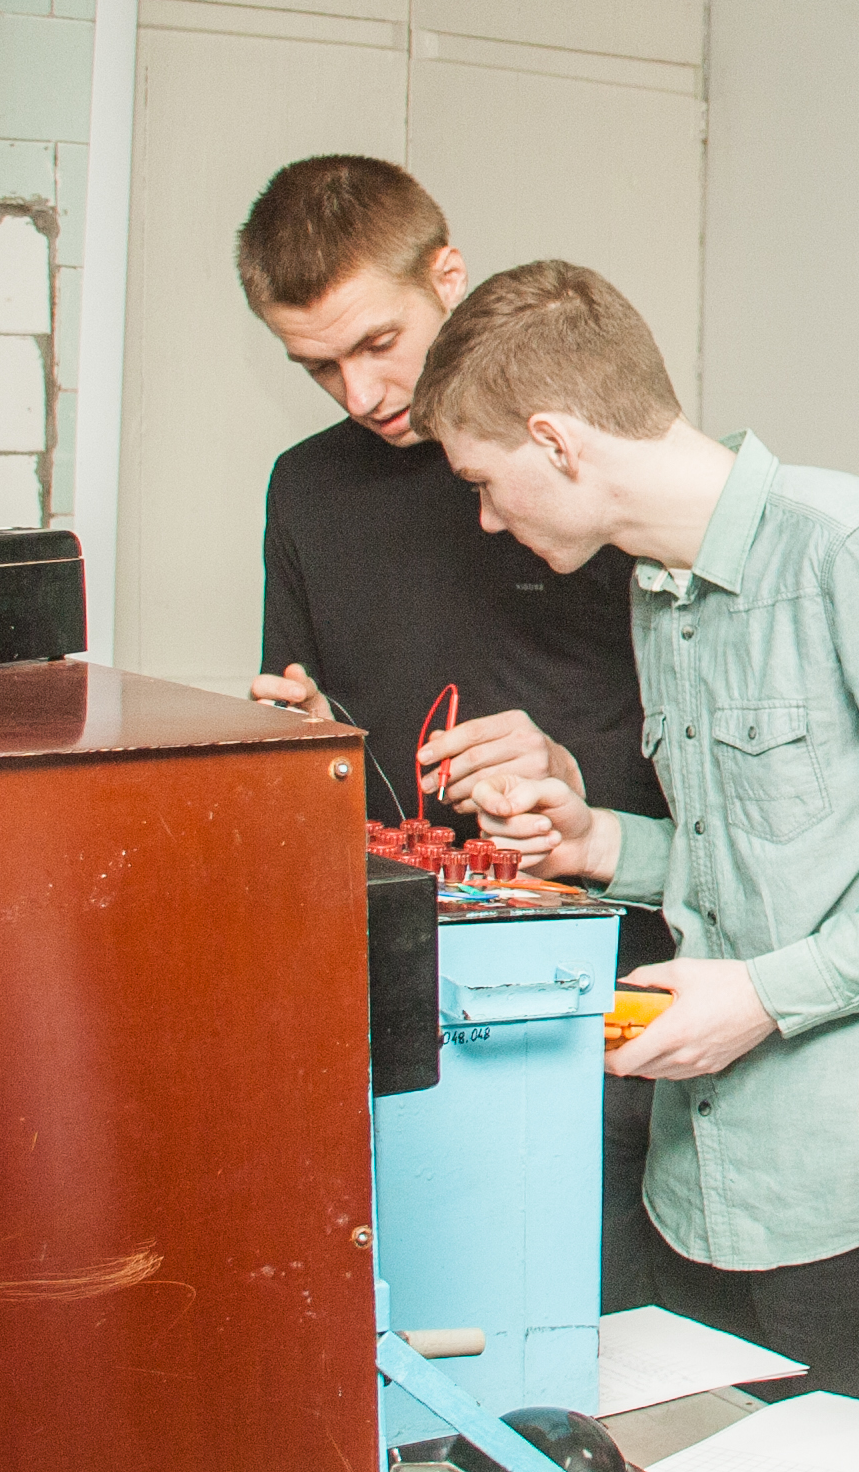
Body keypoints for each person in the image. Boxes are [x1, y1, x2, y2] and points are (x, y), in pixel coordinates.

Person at [420, 259, 859, 1420]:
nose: (484, 518)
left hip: (853, 1195)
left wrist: (767, 997)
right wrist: (597, 843)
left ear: (556, 441)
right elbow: (764, 865)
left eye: (482, 480)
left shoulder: (852, 553)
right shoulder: (655, 588)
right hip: (696, 1191)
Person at [235, 154, 679, 1314]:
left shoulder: (578, 457)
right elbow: (314, 719)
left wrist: (573, 778)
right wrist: (304, 745)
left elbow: (706, 757)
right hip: (408, 983)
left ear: (448, 275)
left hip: (607, 979)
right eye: (317, 365)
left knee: (598, 1325)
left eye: (378, 343)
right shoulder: (305, 490)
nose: (359, 392)